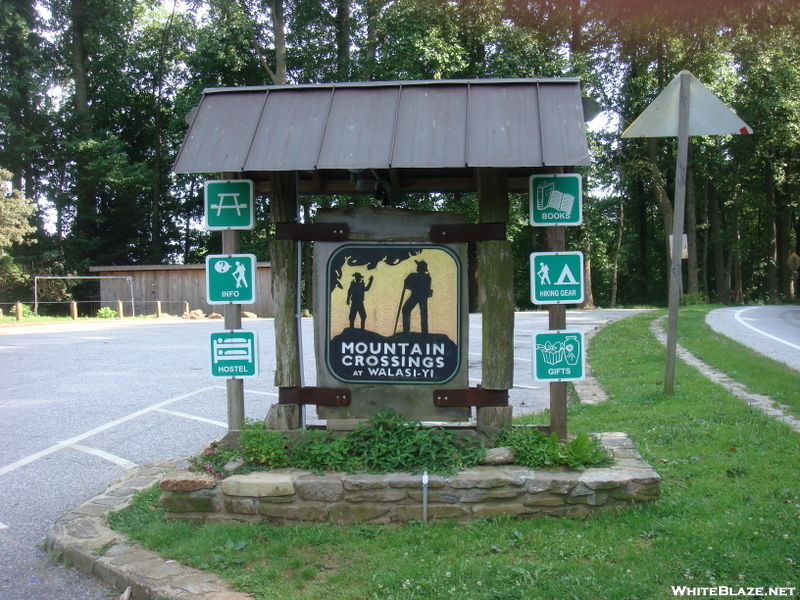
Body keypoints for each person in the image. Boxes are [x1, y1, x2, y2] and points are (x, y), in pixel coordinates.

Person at [401, 261, 433, 334]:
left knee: (407, 310)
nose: (417, 268)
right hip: (419, 296)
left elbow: (408, 284)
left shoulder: (423, 277)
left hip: (418, 296)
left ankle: (408, 332)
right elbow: (407, 283)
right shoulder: (420, 276)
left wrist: (409, 283)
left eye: (419, 267)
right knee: (421, 314)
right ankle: (421, 332)